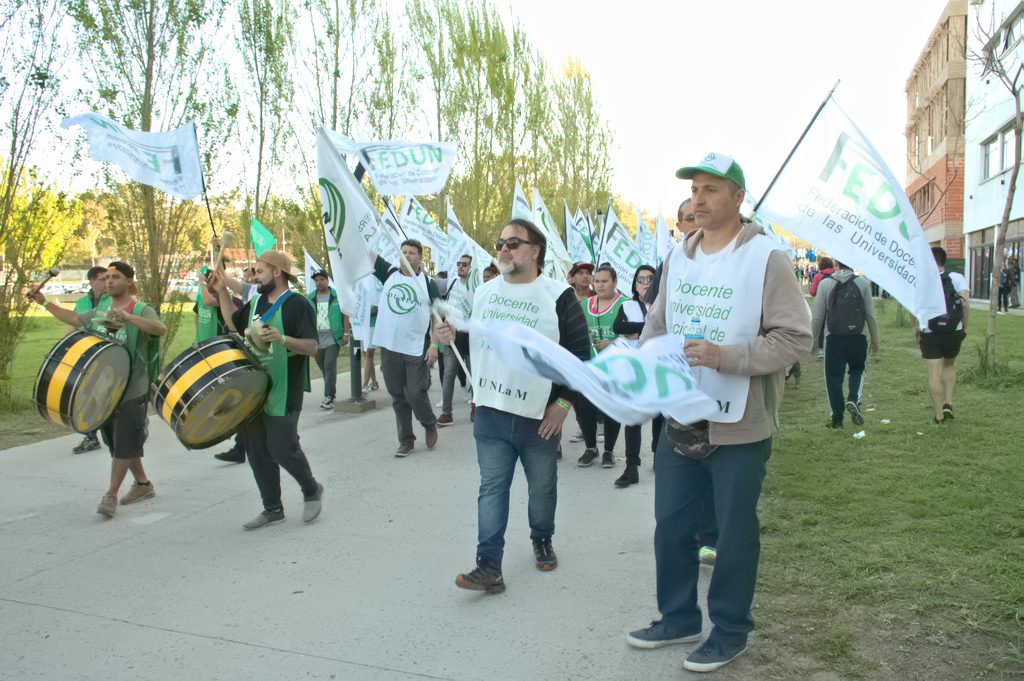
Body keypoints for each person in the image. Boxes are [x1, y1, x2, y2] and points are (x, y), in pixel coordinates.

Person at [627, 154, 811, 673]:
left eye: (711, 189)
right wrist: (643, 363)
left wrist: (726, 356)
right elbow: (657, 325)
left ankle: (730, 629)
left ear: (737, 198)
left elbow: (796, 338)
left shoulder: (768, 258)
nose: (698, 199)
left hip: (739, 424)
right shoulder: (678, 258)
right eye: (694, 190)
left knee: (732, 534)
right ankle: (678, 616)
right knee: (671, 526)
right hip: (679, 418)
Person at [438, 218, 591, 593]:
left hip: (538, 417)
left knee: (542, 488)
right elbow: (475, 339)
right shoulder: (485, 292)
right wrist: (450, 334)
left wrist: (563, 405)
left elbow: (581, 355)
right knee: (491, 488)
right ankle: (488, 566)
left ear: (534, 250)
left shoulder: (559, 296)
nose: (504, 250)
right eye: (500, 243)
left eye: (513, 243)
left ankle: (542, 537)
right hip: (489, 411)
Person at [32, 262, 166, 518]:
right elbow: (73, 318)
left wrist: (129, 318)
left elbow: (160, 329)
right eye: (106, 278)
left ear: (129, 281)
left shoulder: (140, 308)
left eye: (115, 277)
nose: (109, 282)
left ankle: (110, 495)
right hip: (105, 389)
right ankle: (142, 485)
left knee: (125, 441)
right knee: (117, 443)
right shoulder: (102, 308)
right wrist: (44, 302)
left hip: (132, 389)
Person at [208, 250, 324, 530]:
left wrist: (283, 339)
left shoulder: (298, 304)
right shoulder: (257, 301)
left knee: (283, 448)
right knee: (256, 451)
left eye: (259, 271)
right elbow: (234, 324)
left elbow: (312, 346)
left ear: (277, 272)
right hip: (253, 389)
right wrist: (222, 291)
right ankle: (272, 508)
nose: (254, 276)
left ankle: (311, 489)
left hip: (284, 389)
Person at [370, 240, 442, 457]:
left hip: (415, 347)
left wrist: (434, 345)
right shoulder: (389, 273)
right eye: (404, 252)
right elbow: (367, 253)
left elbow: (437, 317)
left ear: (420, 257)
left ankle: (429, 422)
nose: (407, 256)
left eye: (412, 253)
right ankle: (406, 440)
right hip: (390, 346)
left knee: (415, 392)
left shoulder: (427, 283)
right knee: (398, 395)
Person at [811, 260, 879, 429]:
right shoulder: (862, 283)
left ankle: (837, 419)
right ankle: (853, 399)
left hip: (833, 338)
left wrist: (813, 341)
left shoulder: (825, 284)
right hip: (858, 337)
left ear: (836, 264)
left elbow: (818, 317)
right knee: (857, 370)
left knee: (833, 379)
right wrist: (875, 341)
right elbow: (870, 315)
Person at [575, 265, 629, 471]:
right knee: (586, 409)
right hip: (590, 367)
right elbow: (577, 330)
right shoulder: (585, 304)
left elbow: (636, 337)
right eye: (596, 281)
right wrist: (583, 337)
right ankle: (590, 448)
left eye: (604, 281)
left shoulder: (625, 304)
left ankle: (608, 450)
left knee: (611, 410)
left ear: (614, 282)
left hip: (616, 369)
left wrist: (612, 343)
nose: (599, 285)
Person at [194, 264, 249, 464]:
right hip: (207, 349)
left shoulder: (228, 299)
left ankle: (240, 445)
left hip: (224, 352)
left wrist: (203, 283)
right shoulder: (203, 295)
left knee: (237, 399)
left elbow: (209, 300)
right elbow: (198, 314)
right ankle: (240, 445)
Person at [610, 264, 656, 487]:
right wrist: (647, 326)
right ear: (634, 284)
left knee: (660, 415)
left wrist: (636, 329)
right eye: (641, 279)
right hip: (634, 368)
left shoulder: (664, 305)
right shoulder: (628, 305)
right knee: (633, 417)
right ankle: (631, 466)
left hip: (658, 367)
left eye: (649, 279)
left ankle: (659, 457)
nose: (645, 283)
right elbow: (618, 326)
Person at [915, 247, 969, 424]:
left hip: (930, 333)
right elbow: (965, 304)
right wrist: (964, 326)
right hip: (954, 330)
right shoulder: (957, 278)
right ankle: (948, 402)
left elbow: (914, 307)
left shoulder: (921, 280)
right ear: (944, 260)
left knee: (934, 374)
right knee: (949, 365)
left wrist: (915, 326)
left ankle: (938, 415)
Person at [70, 265, 110, 454]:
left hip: (108, 355)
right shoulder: (81, 303)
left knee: (106, 396)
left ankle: (136, 423)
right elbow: (75, 323)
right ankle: (91, 437)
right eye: (103, 279)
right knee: (88, 395)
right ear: (92, 281)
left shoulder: (112, 301)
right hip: (87, 356)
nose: (107, 282)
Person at [438, 255, 474, 426]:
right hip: (452, 334)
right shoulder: (451, 283)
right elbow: (433, 285)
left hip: (471, 335)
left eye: (465, 265)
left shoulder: (477, 287)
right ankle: (446, 413)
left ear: (472, 268)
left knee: (474, 372)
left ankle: (476, 407)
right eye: (459, 264)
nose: (460, 267)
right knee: (448, 374)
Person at [307, 270, 346, 409]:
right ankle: (331, 390)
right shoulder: (310, 298)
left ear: (327, 281)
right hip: (316, 338)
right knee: (323, 366)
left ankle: (328, 396)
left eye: (322, 279)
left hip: (333, 337)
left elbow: (345, 314)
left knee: (329, 365)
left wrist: (346, 333)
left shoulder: (336, 295)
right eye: (316, 280)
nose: (319, 282)